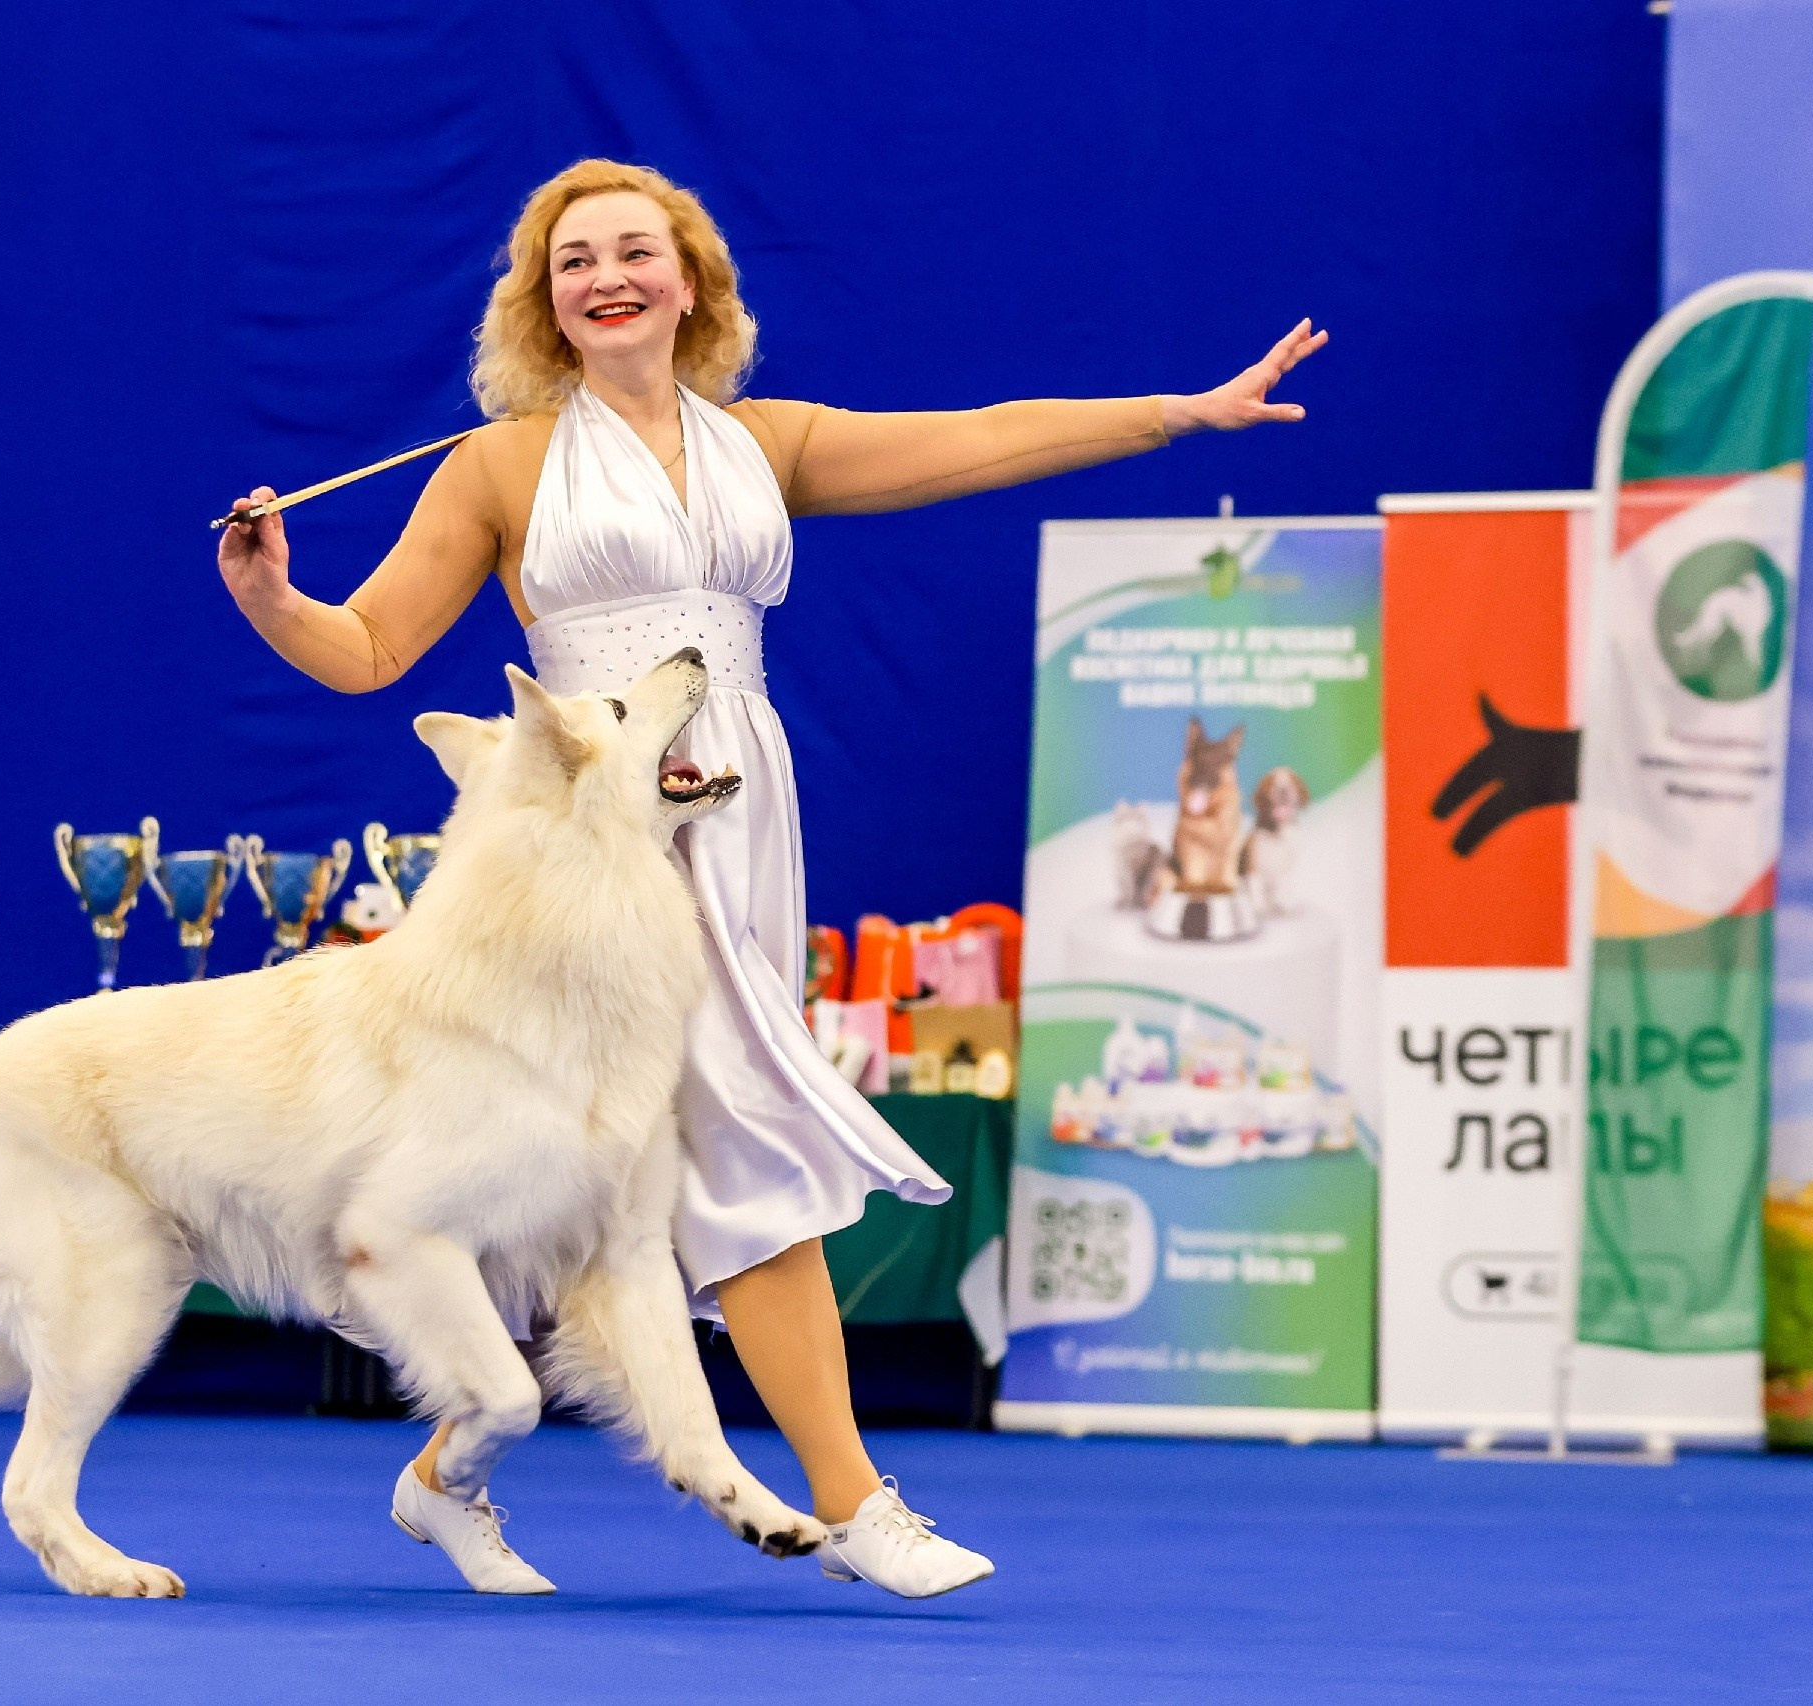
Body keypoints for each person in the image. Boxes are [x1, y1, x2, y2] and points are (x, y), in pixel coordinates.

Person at [217, 158, 1325, 1599]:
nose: (606, 275)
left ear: (691, 279)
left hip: (736, 817)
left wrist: (1179, 411)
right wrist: (270, 596)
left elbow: (984, 439)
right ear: (543, 301)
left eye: (635, 250)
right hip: (591, 848)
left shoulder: (768, 441)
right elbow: (367, 649)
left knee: (632, 1172)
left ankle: (448, 1472)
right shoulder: (498, 464)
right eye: (574, 261)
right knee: (704, 1150)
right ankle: (857, 1498)